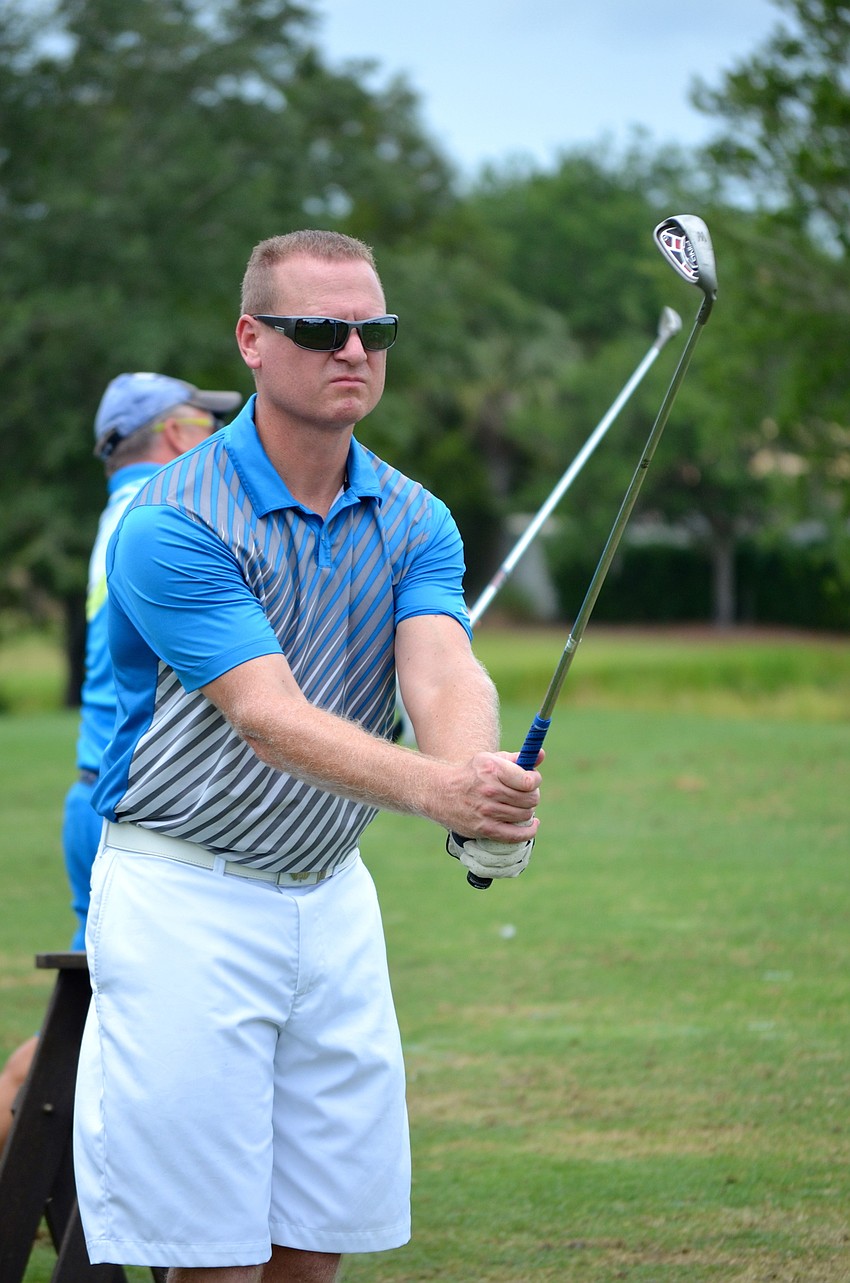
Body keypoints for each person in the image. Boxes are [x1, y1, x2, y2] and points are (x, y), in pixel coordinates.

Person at [72, 229, 542, 1283]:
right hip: (184, 895)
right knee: (214, 1260)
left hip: (331, 896)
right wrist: (440, 791)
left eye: (373, 330)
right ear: (250, 339)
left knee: (313, 1244)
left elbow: (442, 671)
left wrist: (478, 787)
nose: (352, 351)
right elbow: (267, 714)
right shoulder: (171, 517)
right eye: (319, 329)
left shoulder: (416, 513)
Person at [0, 373, 242, 1157]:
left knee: (96, 1023)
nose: (216, 441)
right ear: (174, 433)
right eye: (205, 425)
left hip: (99, 801)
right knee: (117, 1034)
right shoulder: (164, 516)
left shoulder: (124, 515)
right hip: (130, 816)